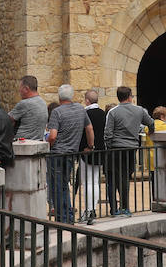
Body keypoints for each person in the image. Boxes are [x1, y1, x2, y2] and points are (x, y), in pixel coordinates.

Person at [45, 84, 93, 224]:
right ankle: (68, 215)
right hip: (72, 153)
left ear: (59, 97)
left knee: (56, 187)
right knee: (64, 185)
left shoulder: (57, 112)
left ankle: (63, 218)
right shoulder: (80, 109)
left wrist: (46, 143)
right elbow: (89, 128)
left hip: (57, 154)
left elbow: (53, 136)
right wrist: (90, 146)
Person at [104, 86, 153, 216]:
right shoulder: (139, 110)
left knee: (113, 178)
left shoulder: (113, 112)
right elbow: (151, 123)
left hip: (115, 148)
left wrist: (109, 148)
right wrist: (151, 134)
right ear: (130, 96)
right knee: (126, 177)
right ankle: (125, 207)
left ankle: (114, 208)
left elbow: (108, 133)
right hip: (131, 148)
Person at [79, 89, 106, 222]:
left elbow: (83, 133)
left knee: (87, 182)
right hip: (101, 151)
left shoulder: (85, 113)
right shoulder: (103, 114)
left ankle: (89, 211)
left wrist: (85, 147)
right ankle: (92, 209)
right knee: (95, 181)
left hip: (88, 151)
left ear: (87, 100)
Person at [9, 75, 47, 142]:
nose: (19, 91)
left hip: (23, 144)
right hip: (38, 142)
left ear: (26, 89)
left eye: (20, 88)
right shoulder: (43, 102)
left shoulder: (25, 103)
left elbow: (7, 120)